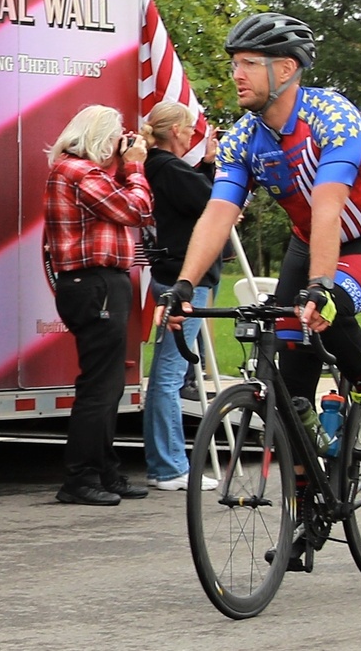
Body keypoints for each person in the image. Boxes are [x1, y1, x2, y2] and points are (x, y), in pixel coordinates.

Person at [159, 12, 361, 467]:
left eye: (249, 63)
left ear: (287, 68)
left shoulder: (332, 116)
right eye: (234, 63)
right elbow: (218, 214)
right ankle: (304, 509)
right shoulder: (243, 140)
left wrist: (319, 284)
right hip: (307, 242)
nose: (236, 74)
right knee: (292, 399)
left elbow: (328, 206)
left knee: (329, 302)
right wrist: (184, 285)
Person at [43, 105, 153, 505]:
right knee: (98, 387)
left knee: (107, 385)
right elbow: (136, 209)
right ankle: (80, 479)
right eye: (115, 137)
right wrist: (136, 168)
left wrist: (123, 170)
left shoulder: (84, 173)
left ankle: (105, 471)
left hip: (96, 284)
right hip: (95, 283)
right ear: (102, 138)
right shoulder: (79, 172)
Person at [140, 101, 221, 491]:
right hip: (186, 278)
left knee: (168, 371)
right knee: (170, 374)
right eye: (188, 127)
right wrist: (212, 172)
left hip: (170, 273)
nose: (192, 133)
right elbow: (215, 204)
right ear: (173, 131)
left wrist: (205, 164)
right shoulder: (167, 168)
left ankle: (165, 461)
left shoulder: (161, 168)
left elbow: (196, 194)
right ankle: (170, 465)